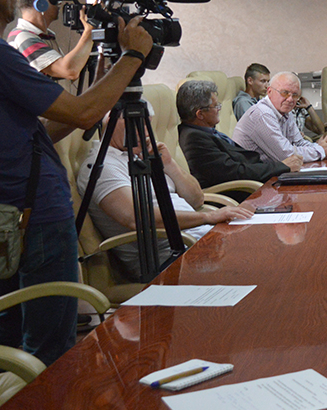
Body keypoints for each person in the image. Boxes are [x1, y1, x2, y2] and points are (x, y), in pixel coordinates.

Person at [0, 0, 153, 369]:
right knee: (50, 347)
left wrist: (97, 99)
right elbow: (79, 112)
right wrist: (133, 57)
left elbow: (37, 129)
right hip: (37, 218)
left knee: (9, 329)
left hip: (6, 215)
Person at [77, 108, 255, 281]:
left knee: (262, 245)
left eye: (147, 124)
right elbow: (137, 218)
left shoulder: (139, 156)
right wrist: (208, 217)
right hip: (169, 257)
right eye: (136, 123)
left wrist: (170, 165)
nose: (146, 131)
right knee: (257, 262)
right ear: (111, 122)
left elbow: (196, 198)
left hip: (197, 240)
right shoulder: (102, 166)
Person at [177, 80, 297, 194]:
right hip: (239, 193)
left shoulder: (206, 131)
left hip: (254, 182)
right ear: (200, 114)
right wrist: (281, 167)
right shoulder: (194, 139)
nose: (219, 109)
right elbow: (234, 172)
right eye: (216, 106)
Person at [233, 71, 327, 163]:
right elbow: (285, 155)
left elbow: (299, 142)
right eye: (285, 93)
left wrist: (322, 147)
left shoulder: (286, 111)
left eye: (295, 95)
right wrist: (320, 151)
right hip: (255, 179)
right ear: (269, 92)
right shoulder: (263, 114)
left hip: (273, 171)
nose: (290, 99)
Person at [7, 0, 95, 82]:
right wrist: (89, 31)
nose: (59, 3)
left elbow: (64, 72)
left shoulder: (44, 36)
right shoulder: (22, 37)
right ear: (40, 3)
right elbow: (69, 71)